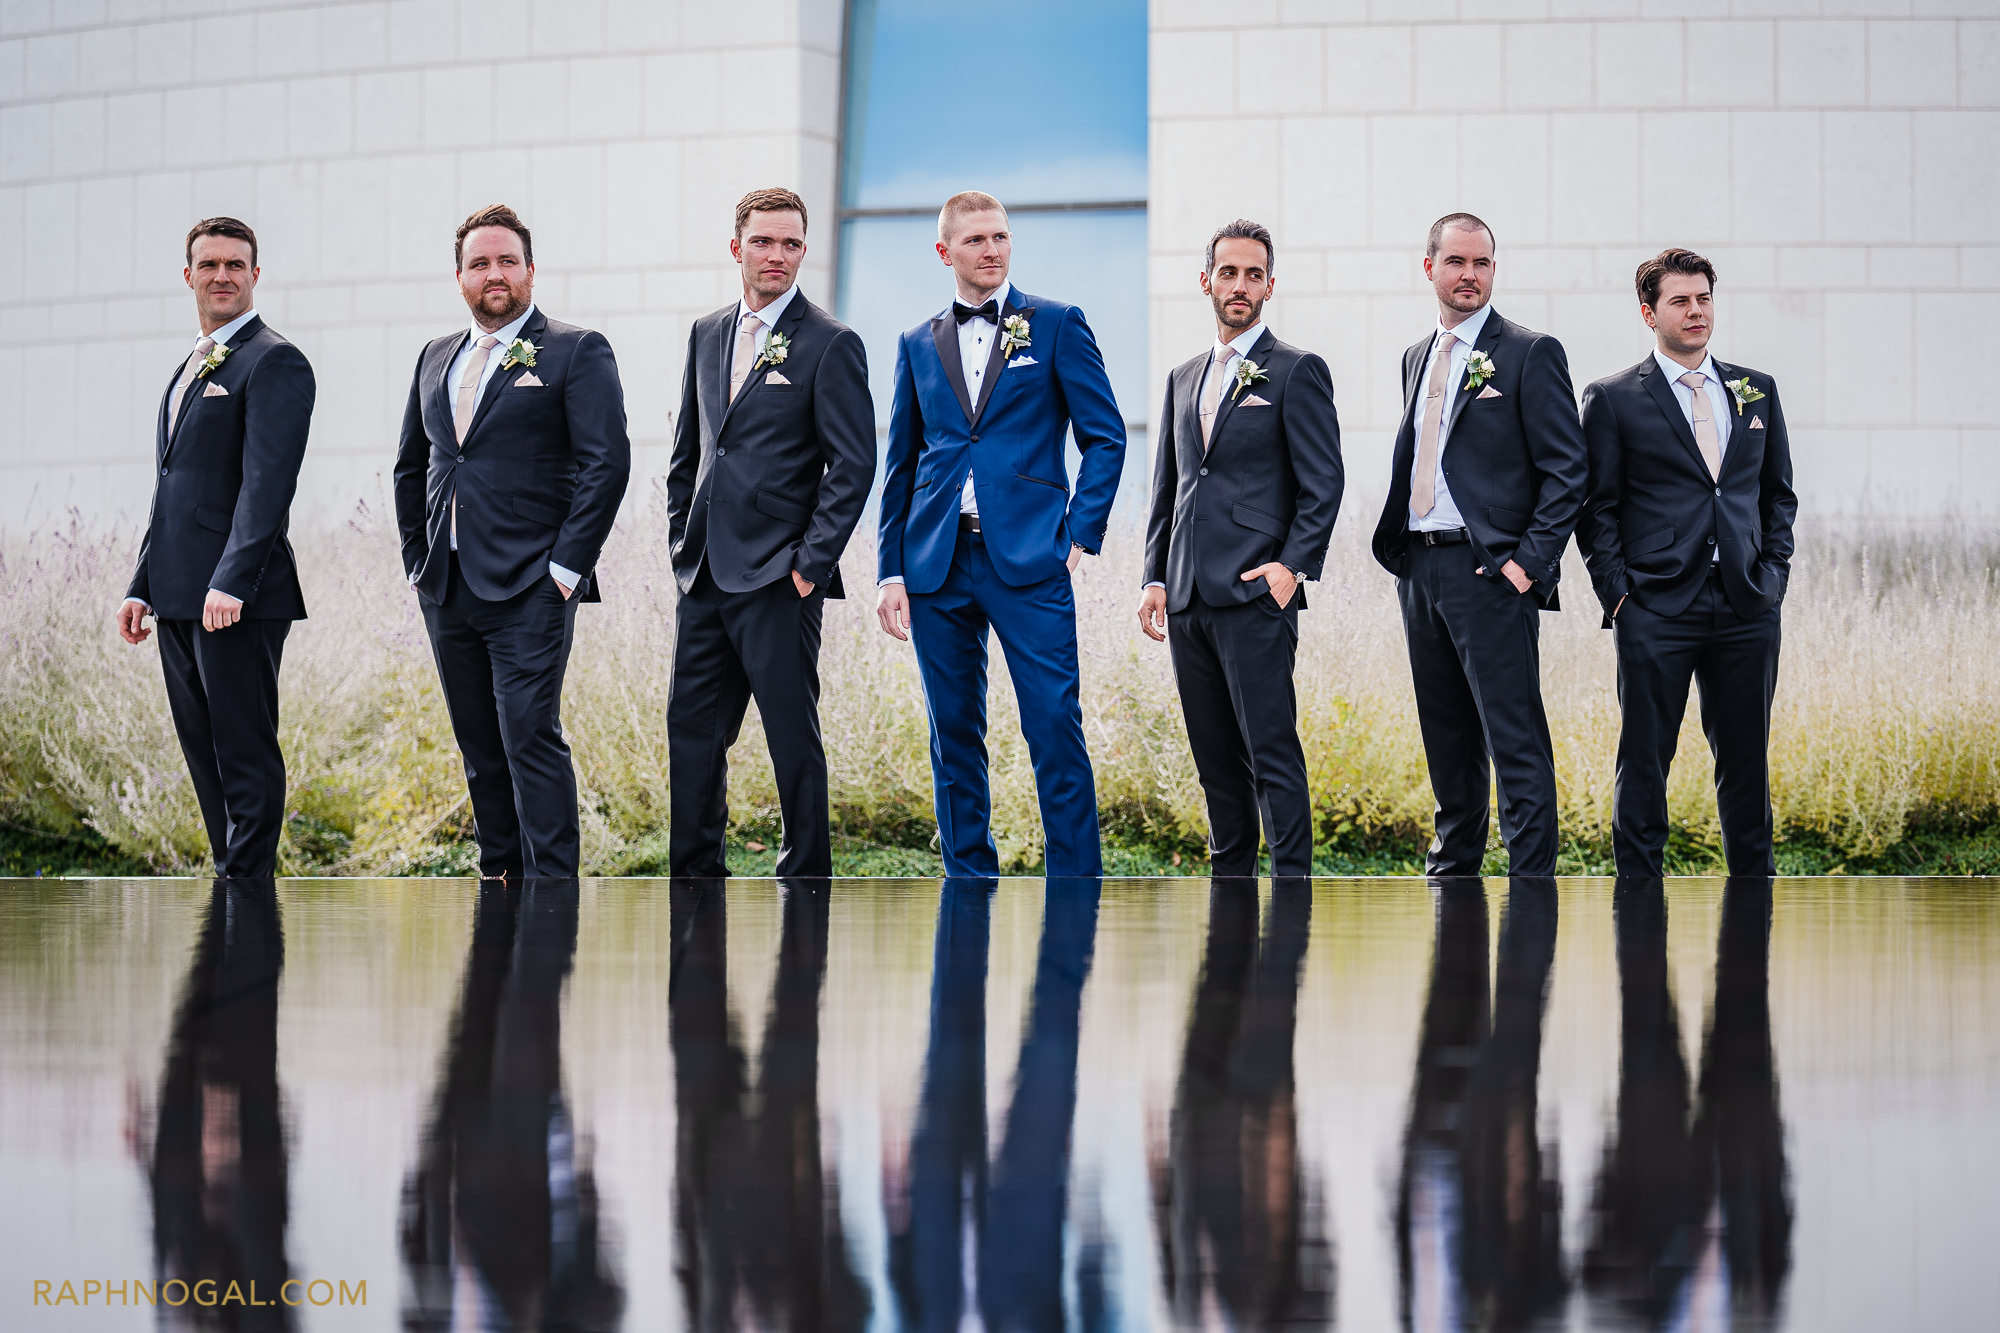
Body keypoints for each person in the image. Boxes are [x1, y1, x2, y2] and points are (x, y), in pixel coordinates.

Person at [874, 191, 1126, 877]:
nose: (992, 250)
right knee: (952, 735)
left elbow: (1104, 437)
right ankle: (969, 882)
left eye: (1001, 237)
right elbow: (901, 462)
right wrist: (888, 571)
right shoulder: (915, 343)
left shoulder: (1056, 324)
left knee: (1053, 726)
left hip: (1031, 559)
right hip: (935, 564)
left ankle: (1076, 886)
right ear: (944, 251)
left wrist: (1081, 533)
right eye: (977, 240)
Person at [392, 204, 630, 881]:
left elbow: (606, 464)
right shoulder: (435, 356)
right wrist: (418, 558)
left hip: (532, 585)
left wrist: (564, 569)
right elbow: (414, 464)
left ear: (530, 269)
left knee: (529, 736)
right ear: (460, 276)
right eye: (479, 263)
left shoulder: (575, 350)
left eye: (506, 261)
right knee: (478, 745)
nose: (493, 274)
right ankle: (499, 880)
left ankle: (552, 892)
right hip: (448, 586)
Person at [665, 188, 876, 878]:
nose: (777, 255)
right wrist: (679, 543)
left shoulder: (831, 342)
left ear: (803, 252)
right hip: (704, 575)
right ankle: (695, 876)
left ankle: (805, 876)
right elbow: (689, 453)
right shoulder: (706, 333)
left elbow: (852, 464)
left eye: (790, 243)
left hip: (780, 578)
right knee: (692, 732)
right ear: (738, 248)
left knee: (792, 737)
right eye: (763, 241)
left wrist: (809, 566)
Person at [1370, 213, 1587, 877]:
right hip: (1421, 568)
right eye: (1458, 261)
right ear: (1429, 267)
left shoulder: (1529, 351)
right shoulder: (1417, 356)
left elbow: (1569, 471)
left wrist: (1527, 564)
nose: (1470, 275)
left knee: (1513, 738)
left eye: (1482, 263)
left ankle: (1531, 886)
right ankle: (1453, 875)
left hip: (1491, 570)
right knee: (1447, 736)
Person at [1577, 249, 1797, 876]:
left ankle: (1754, 908)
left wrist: (1773, 575)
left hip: (1746, 603)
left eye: (1703, 298)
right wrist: (1619, 596)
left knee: (1747, 761)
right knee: (1645, 758)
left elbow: (1777, 494)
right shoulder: (1613, 398)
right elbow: (1597, 508)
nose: (1696, 311)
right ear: (1649, 313)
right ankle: (1639, 908)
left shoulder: (1756, 389)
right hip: (1655, 607)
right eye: (1680, 300)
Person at [1139, 219, 1343, 877]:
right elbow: (1168, 486)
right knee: (1214, 759)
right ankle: (1229, 892)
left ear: (1269, 285)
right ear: (1207, 281)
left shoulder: (1296, 370)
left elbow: (1324, 483)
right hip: (1188, 597)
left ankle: (1291, 895)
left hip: (1257, 592)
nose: (1240, 285)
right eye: (1229, 272)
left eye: (1254, 274)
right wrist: (1153, 577)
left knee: (1270, 752)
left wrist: (1291, 568)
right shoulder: (1183, 376)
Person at [118, 217, 315, 879]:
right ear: (189, 276)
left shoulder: (274, 360)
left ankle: (249, 894)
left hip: (237, 597)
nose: (223, 276)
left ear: (255, 275)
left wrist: (232, 579)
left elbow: (267, 484)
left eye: (236, 265)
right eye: (210, 265)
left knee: (243, 750)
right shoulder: (187, 366)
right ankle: (233, 883)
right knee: (203, 752)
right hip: (176, 596)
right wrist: (141, 582)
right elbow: (172, 485)